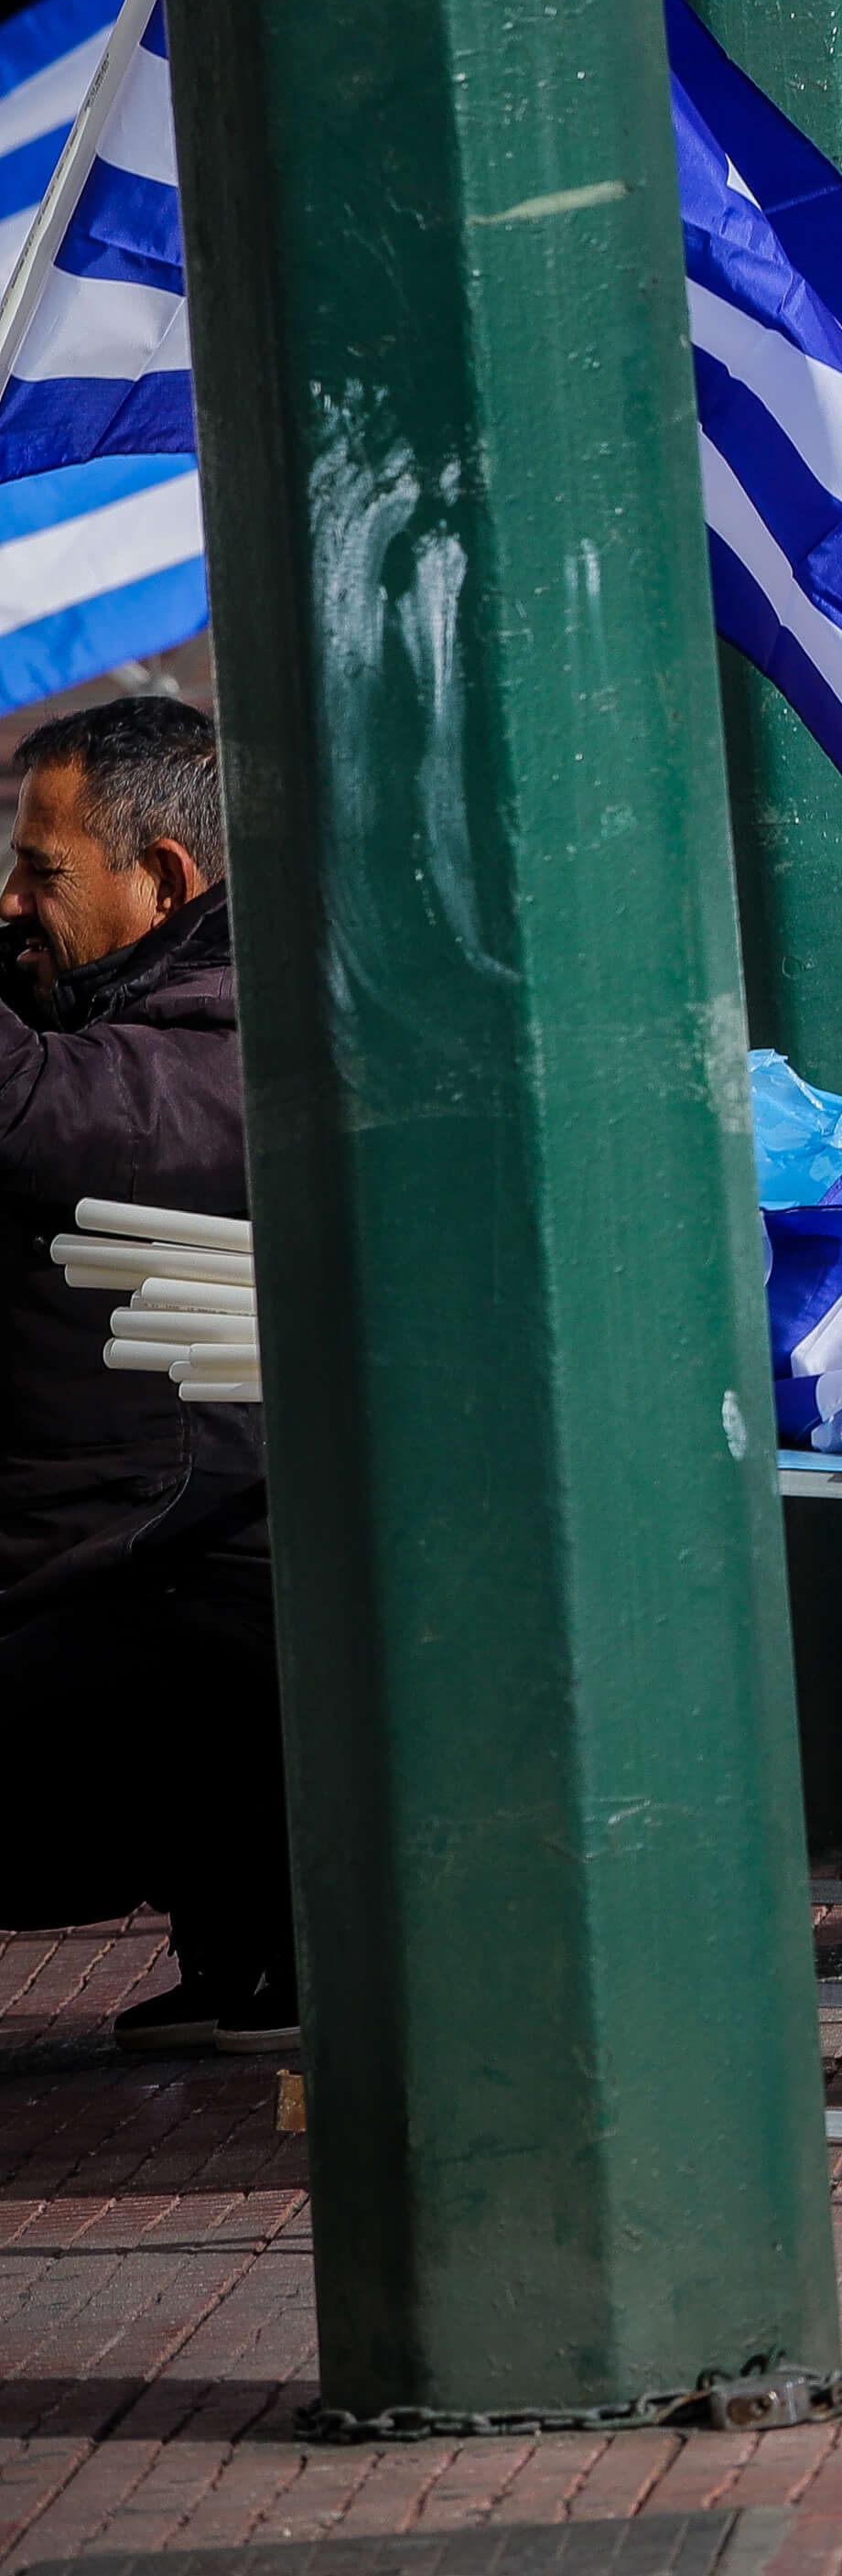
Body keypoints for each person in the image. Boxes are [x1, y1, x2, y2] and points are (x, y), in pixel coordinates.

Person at [0, 698, 285, 2052]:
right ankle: (258, 1942)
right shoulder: (121, 1019)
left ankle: (272, 1928)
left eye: (42, 872)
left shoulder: (236, 1045)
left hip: (169, 1633)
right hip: (146, 1614)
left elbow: (53, 1120)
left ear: (163, 877)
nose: (11, 899)